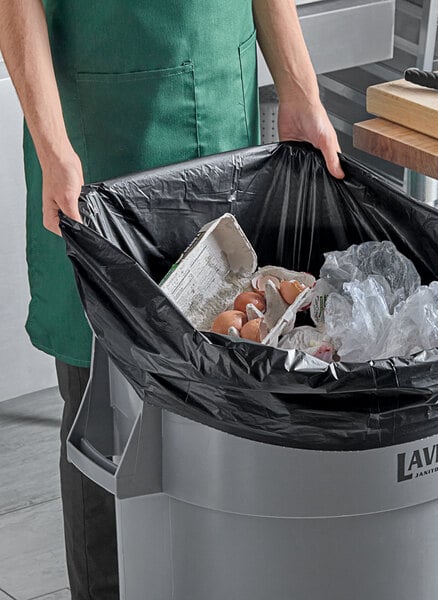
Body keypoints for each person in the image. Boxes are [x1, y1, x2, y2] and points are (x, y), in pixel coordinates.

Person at [0, 1, 344, 598]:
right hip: (102, 136)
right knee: (106, 420)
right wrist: (53, 146)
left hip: (217, 111)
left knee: (224, 398)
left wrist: (301, 90)